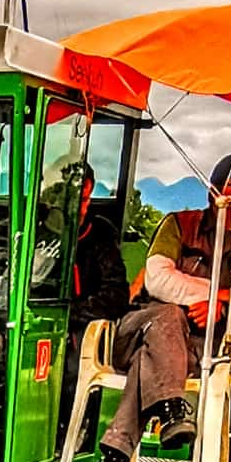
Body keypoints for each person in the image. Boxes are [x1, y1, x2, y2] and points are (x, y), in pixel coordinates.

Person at [99, 152, 231, 462]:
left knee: (150, 359)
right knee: (167, 315)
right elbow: (158, 280)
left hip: (196, 349)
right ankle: (171, 410)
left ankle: (116, 459)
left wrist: (221, 304)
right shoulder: (179, 223)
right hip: (138, 328)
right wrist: (219, 295)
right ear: (215, 192)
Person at [63, 163, 129, 407]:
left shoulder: (100, 235)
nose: (81, 209)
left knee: (74, 365)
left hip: (83, 330)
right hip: (37, 323)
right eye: (76, 200)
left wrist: (72, 313)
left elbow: (117, 295)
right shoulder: (35, 231)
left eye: (85, 200)